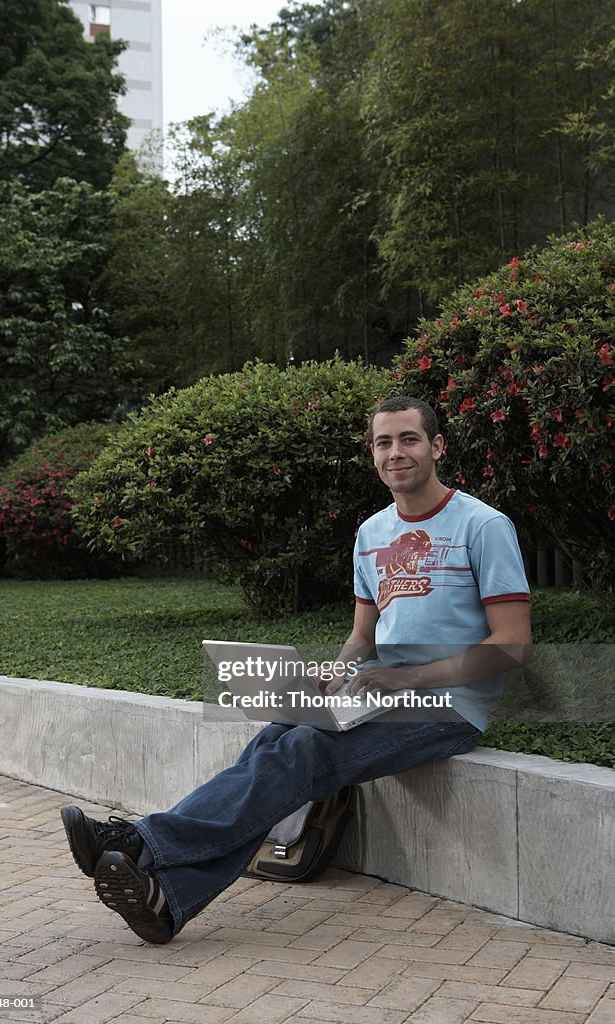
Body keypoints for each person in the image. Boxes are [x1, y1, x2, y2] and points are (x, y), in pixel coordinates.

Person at [60, 396, 531, 944]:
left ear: (437, 447)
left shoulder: (483, 525)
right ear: (372, 453)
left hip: (448, 706)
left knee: (303, 751)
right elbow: (362, 636)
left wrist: (405, 678)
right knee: (275, 738)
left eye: (409, 439)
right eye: (384, 442)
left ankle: (140, 843)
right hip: (374, 694)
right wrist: (332, 678)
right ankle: (169, 901)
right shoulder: (371, 534)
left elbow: (513, 646)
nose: (396, 452)